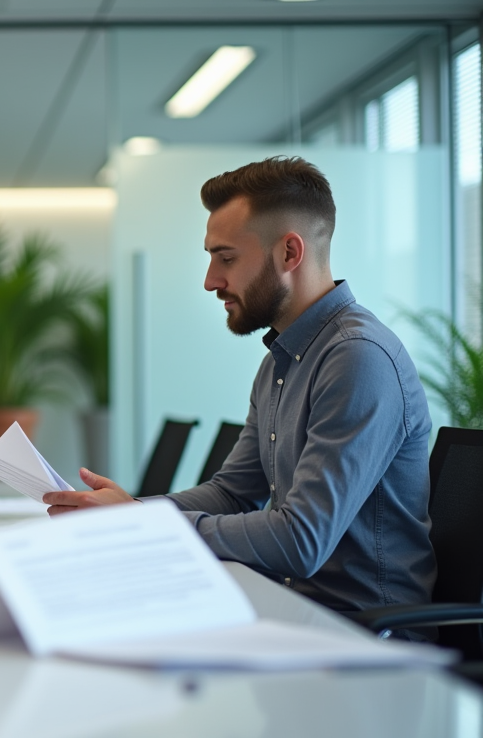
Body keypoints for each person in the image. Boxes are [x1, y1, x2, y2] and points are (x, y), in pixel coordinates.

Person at [42, 156, 435, 614]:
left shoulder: (358, 358)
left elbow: (299, 541)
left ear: (290, 253)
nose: (211, 281)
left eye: (226, 258)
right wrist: (129, 513)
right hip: (287, 608)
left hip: (364, 635)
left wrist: (140, 525)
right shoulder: (282, 361)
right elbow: (232, 493)